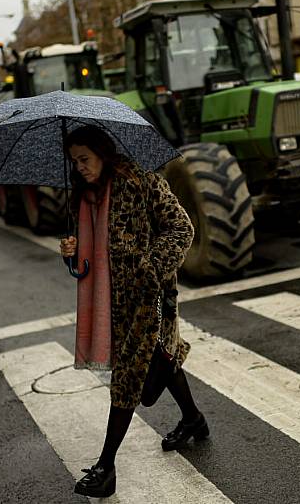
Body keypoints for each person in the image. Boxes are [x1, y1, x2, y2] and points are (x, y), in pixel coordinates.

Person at [59, 126, 206, 499]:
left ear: (103, 154)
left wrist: (151, 267)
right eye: (73, 161)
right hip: (110, 303)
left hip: (150, 299)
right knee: (162, 359)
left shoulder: (142, 183)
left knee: (127, 377)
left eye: (84, 159)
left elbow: (181, 228)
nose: (79, 168)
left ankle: (106, 467)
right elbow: (91, 262)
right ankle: (193, 419)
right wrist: (72, 252)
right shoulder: (81, 198)